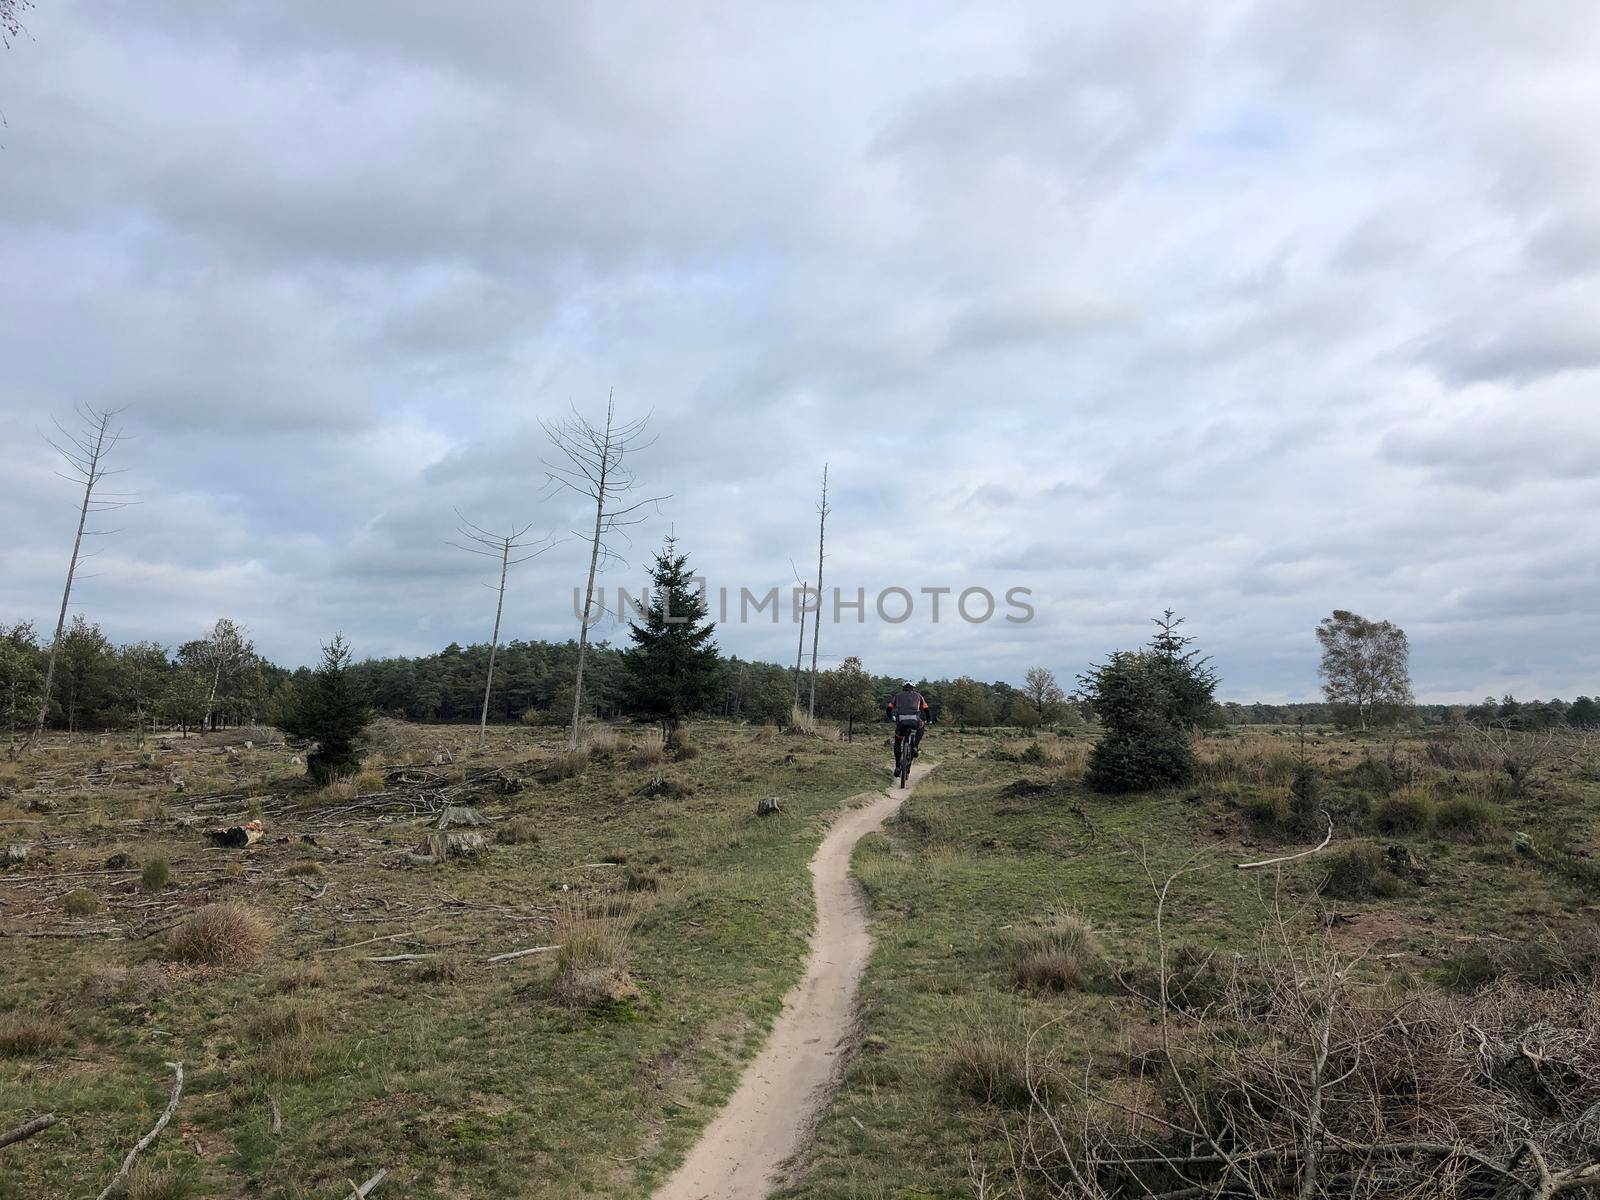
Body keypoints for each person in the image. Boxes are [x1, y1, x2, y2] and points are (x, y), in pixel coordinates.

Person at [886, 681, 930, 773]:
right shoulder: (918, 696)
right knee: (921, 727)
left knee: (897, 743)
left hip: (901, 722)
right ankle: (915, 747)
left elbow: (889, 707)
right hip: (914, 721)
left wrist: (890, 717)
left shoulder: (897, 696)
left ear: (903, 688)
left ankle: (897, 767)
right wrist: (928, 719)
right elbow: (926, 708)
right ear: (913, 688)